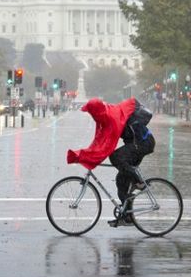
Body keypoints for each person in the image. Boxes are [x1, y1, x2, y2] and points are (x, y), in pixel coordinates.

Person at [66, 97, 155, 227]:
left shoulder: (112, 118)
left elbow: (107, 146)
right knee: (121, 181)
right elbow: (100, 140)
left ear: (96, 112)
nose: (91, 116)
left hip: (143, 143)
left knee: (116, 157)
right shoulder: (106, 115)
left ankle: (139, 182)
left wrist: (89, 156)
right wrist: (85, 154)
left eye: (91, 113)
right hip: (136, 144)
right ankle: (127, 217)